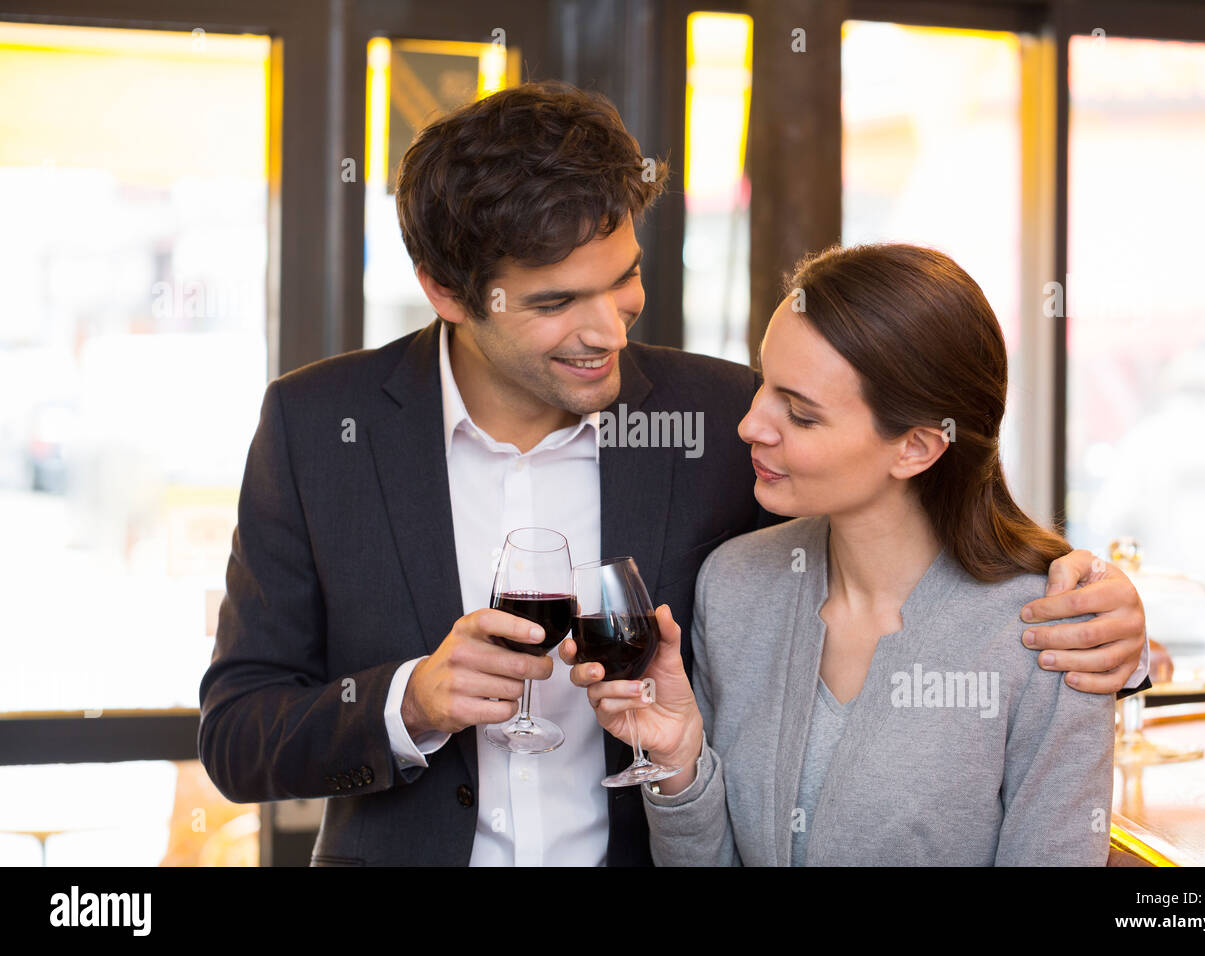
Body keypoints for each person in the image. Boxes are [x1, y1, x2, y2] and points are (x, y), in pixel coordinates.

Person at [198, 81, 1148, 867]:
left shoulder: (722, 416)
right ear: (447, 290)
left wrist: (1108, 619)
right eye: (558, 301)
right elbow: (238, 734)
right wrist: (412, 701)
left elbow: (912, 498)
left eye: (624, 277)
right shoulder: (318, 427)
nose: (610, 327)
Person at [565, 243, 1122, 865]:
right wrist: (678, 762)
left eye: (800, 415)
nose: (751, 424)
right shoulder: (736, 585)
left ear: (915, 448)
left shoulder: (1048, 632)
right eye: (765, 385)